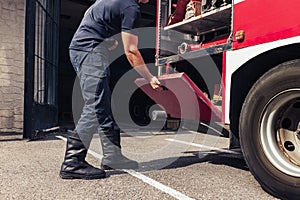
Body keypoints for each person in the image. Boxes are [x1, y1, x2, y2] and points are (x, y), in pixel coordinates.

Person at [59, 0, 162, 180]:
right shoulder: (131, 7)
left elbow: (91, 18)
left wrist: (107, 40)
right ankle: (72, 162)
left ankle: (113, 156)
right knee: (95, 106)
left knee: (103, 104)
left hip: (85, 50)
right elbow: (131, 51)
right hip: (90, 52)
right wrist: (150, 77)